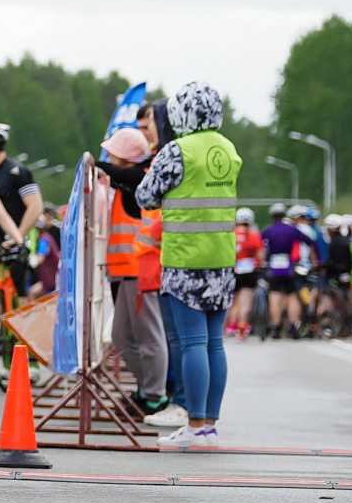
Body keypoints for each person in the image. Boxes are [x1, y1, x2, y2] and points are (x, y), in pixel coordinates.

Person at [137, 81, 242, 446]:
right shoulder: (228, 149)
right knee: (215, 344)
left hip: (185, 260)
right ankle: (210, 425)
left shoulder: (177, 150)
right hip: (222, 260)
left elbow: (146, 197)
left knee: (193, 342)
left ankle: (194, 425)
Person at [96, 127, 173, 419]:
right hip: (123, 270)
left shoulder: (141, 179)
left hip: (140, 269)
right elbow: (121, 178)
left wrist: (99, 166)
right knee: (122, 337)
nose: (108, 156)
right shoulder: (124, 182)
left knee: (149, 338)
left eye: (113, 152)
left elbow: (131, 177)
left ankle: (155, 396)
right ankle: (147, 388)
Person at [0, 122, 43, 293]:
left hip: (12, 246)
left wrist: (16, 237)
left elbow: (35, 207)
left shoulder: (18, 172)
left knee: (18, 295)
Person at [259, 203, 303, 337]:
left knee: (274, 296)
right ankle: (294, 325)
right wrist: (315, 259)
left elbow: (260, 247)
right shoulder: (291, 229)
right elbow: (309, 241)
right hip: (288, 268)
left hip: (274, 269)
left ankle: (276, 326)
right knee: (292, 296)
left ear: (272, 217)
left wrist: (262, 262)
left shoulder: (268, 230)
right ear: (284, 215)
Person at [229, 207, 263, 337]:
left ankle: (231, 325)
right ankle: (242, 326)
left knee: (233, 301)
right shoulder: (254, 234)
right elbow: (260, 256)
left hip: (233, 270)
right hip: (249, 271)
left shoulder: (232, 233)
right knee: (245, 301)